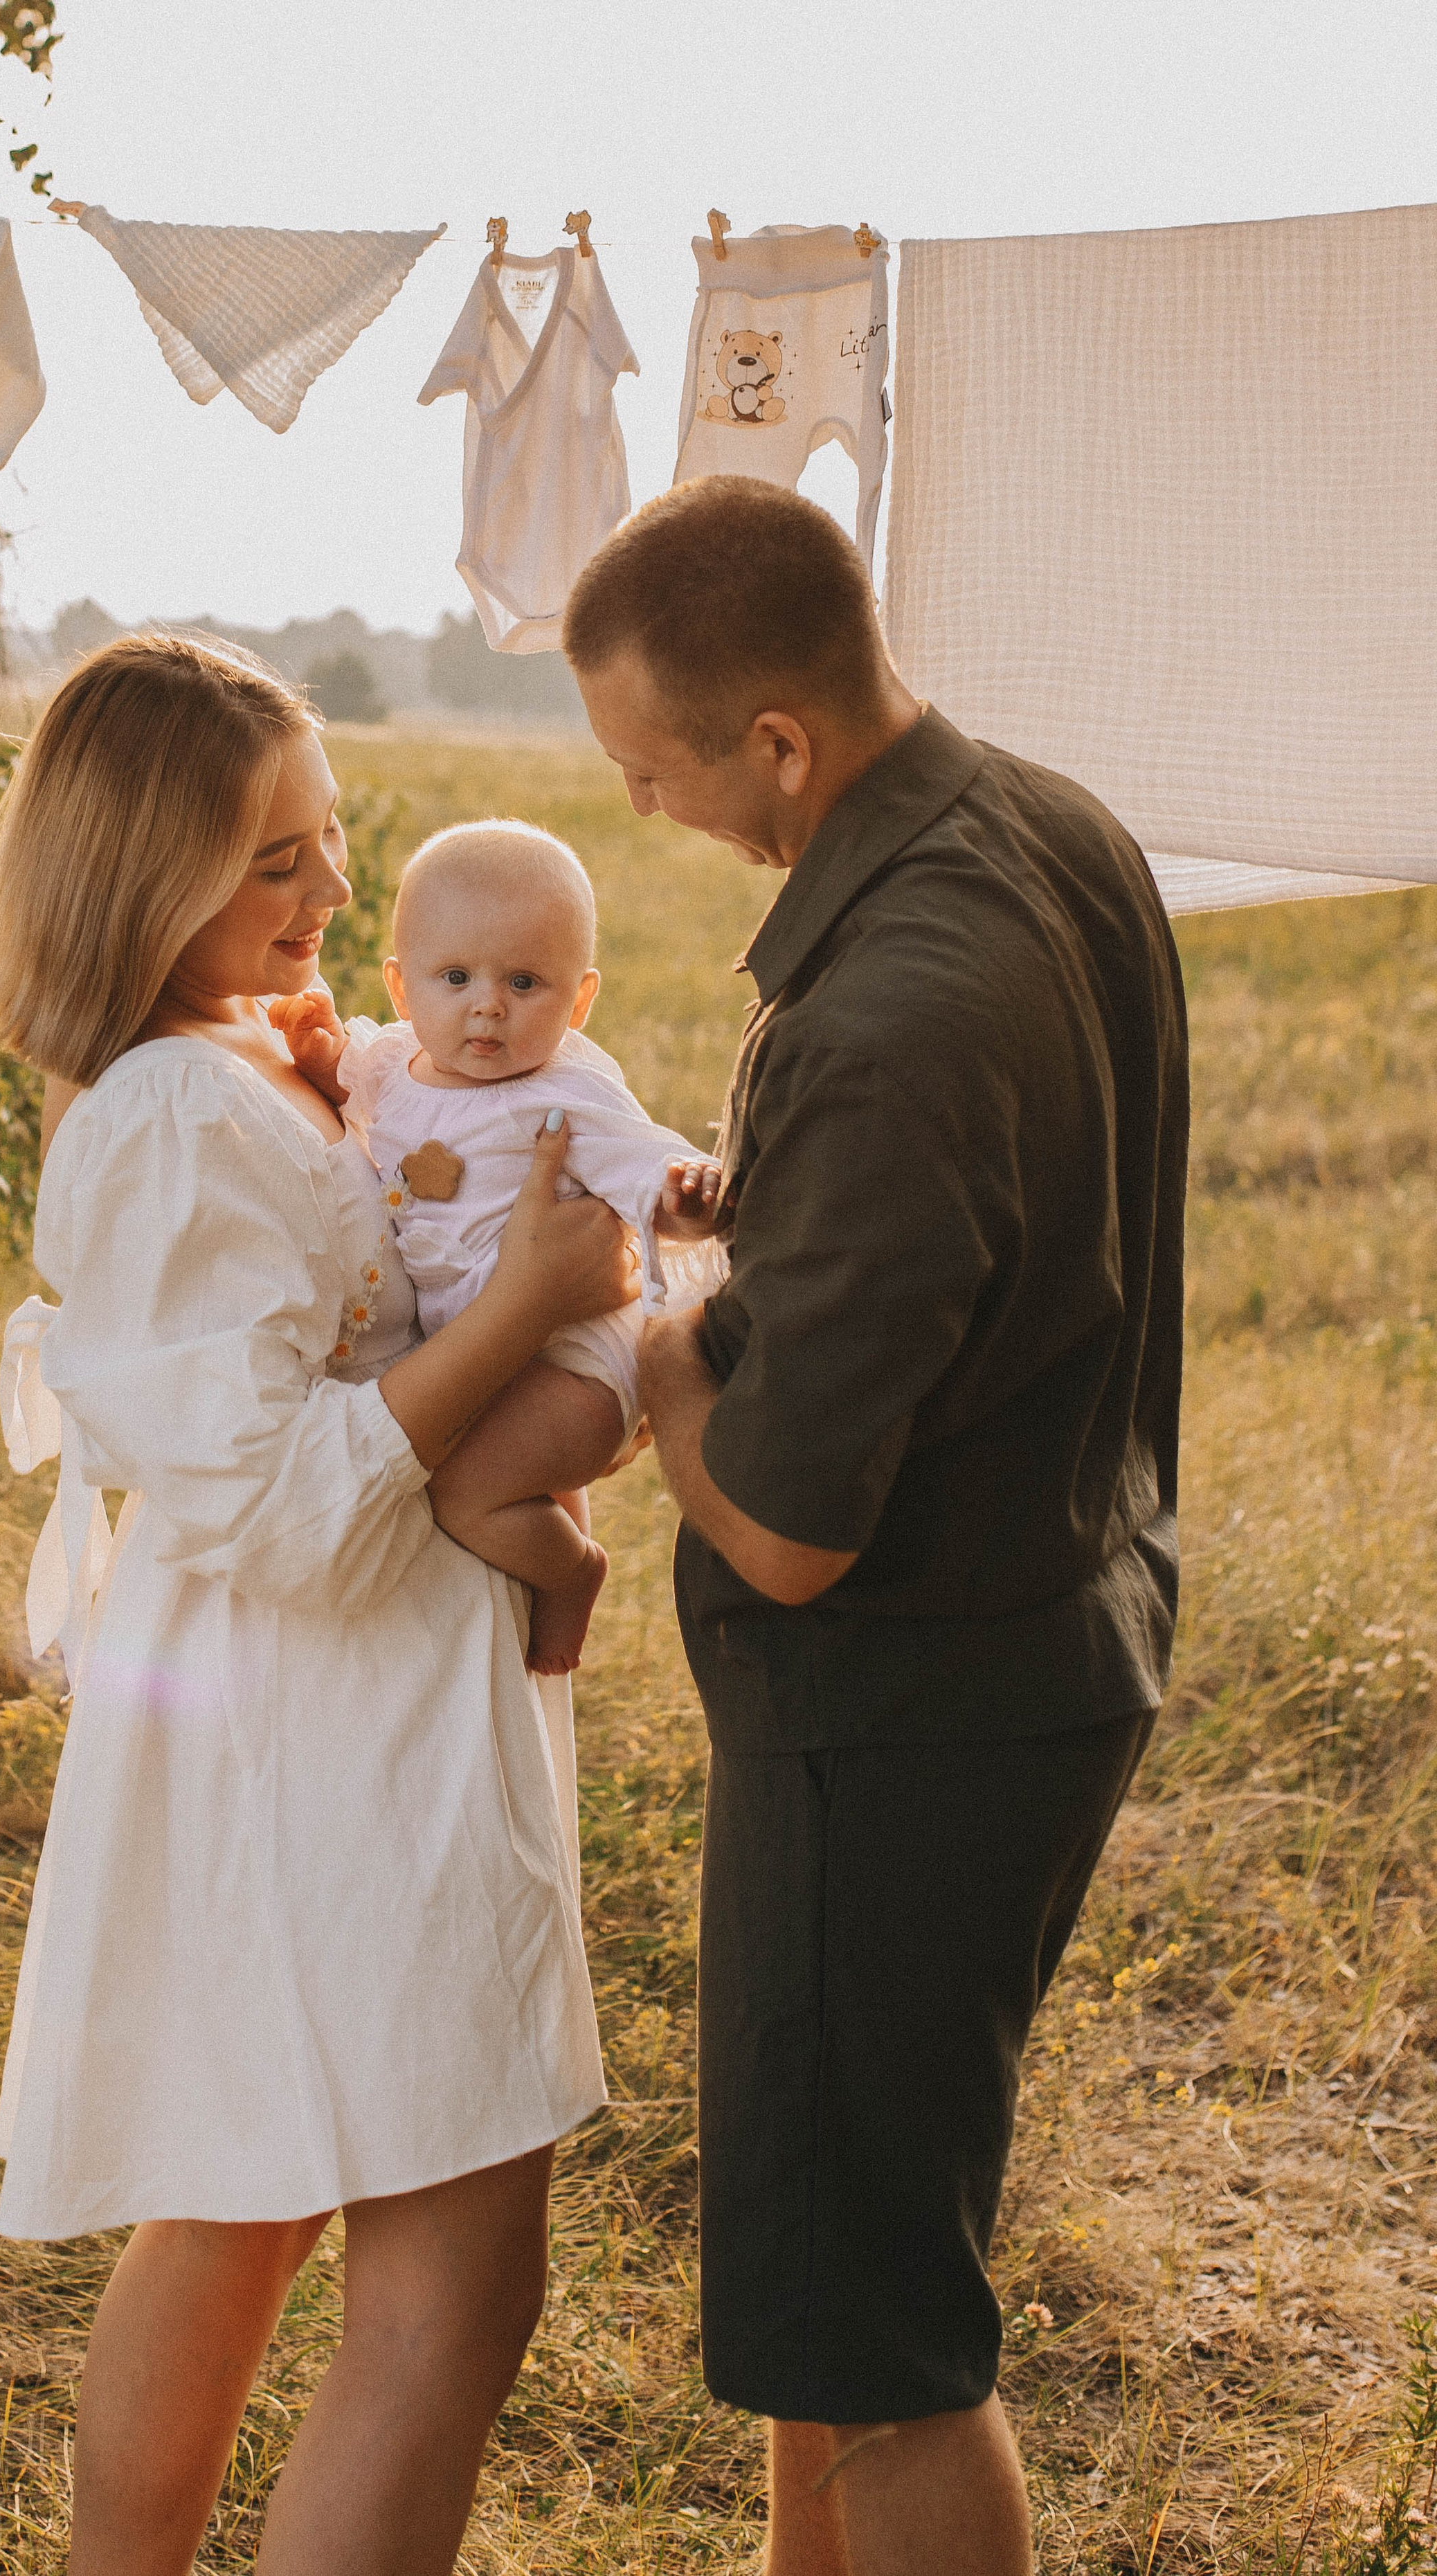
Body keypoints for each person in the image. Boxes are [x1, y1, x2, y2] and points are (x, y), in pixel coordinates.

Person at [0, 634, 636, 2576]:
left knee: (241, 2202)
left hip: (321, 1709)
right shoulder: (170, 1115)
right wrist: (519, 1309)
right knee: (452, 2283)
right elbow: (268, 1503)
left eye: (326, 846)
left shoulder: (240, 1062)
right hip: (330, 1723)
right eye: (276, 865)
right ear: (140, 878)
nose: (334, 893)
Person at [563, 476, 1189, 2576]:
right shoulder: (1053, 823)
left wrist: (662, 1365)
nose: (642, 807)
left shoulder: (889, 1009)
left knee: (887, 2339)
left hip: (899, 1709)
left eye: (651, 771)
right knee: (832, 2297)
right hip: (1047, 1634)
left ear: (778, 747)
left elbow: (791, 1536)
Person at [280, 818, 723, 1674]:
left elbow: (645, 1164)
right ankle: (555, 1541)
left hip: (572, 1359)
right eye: (456, 977)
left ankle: (573, 1572)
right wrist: (318, 1052)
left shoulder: (564, 1095)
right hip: (491, 1351)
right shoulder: (395, 1064)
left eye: (524, 982)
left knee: (463, 1491)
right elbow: (353, 1071)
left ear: (580, 1000)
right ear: (402, 988)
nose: (487, 1006)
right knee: (512, 1469)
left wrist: (686, 1198)